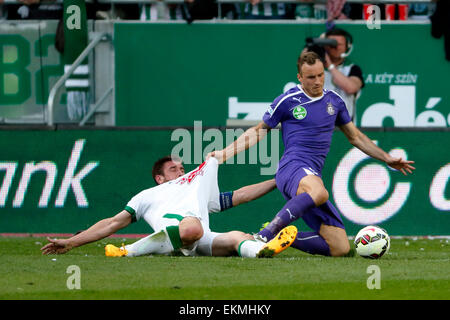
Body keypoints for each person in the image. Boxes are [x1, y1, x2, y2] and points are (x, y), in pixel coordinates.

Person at [207, 51, 415, 257]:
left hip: (312, 176)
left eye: (320, 75)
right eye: (311, 77)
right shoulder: (287, 100)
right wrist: (224, 153)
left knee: (339, 247)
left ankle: (280, 237)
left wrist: (387, 158)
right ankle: (264, 234)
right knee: (320, 192)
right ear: (299, 77)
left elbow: (356, 137)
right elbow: (257, 131)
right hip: (292, 167)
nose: (317, 81)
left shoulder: (335, 101)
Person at [41, 156, 297, 258]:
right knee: (191, 227)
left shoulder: (196, 190)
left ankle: (262, 251)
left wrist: (277, 180)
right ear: (159, 177)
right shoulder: (147, 195)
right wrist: (72, 242)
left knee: (237, 237)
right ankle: (128, 251)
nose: (181, 171)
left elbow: (240, 195)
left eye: (183, 168)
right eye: (173, 169)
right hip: (182, 232)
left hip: (198, 239)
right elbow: (112, 223)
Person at [322, 28, 364, 121]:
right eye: (332, 43)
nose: (335, 47)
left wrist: (330, 66)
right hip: (319, 126)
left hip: (345, 127)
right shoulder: (315, 68)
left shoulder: (352, 69)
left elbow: (351, 88)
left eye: (339, 44)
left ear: (347, 47)